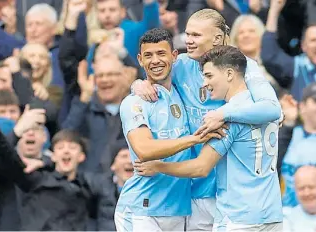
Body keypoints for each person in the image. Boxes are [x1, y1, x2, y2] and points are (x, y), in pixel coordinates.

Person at [132, 9, 282, 231]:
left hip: (229, 192)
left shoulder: (242, 66)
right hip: (197, 189)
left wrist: (224, 113)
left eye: (196, 35)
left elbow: (270, 108)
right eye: (187, 34)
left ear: (217, 38)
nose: (188, 41)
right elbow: (152, 71)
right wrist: (137, 85)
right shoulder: (181, 63)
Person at [115, 28, 222, 232]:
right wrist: (194, 139)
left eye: (161, 53)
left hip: (179, 210)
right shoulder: (134, 102)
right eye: (148, 55)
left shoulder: (181, 93)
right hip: (141, 209)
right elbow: (144, 149)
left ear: (174, 56)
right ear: (139, 60)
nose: (155, 60)